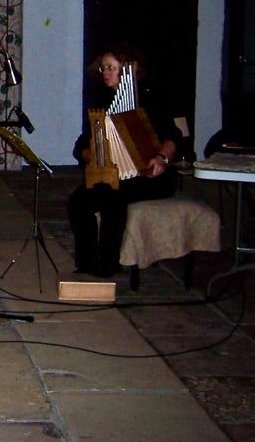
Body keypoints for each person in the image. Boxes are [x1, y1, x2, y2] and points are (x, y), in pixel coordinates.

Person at [67, 47, 183, 278]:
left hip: (152, 175)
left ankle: (109, 263)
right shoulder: (103, 101)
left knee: (112, 196)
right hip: (114, 175)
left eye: (111, 68)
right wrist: (92, 157)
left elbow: (175, 137)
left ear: (129, 70)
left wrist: (161, 158)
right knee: (78, 200)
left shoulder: (149, 98)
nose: (105, 73)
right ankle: (87, 262)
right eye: (104, 68)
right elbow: (82, 143)